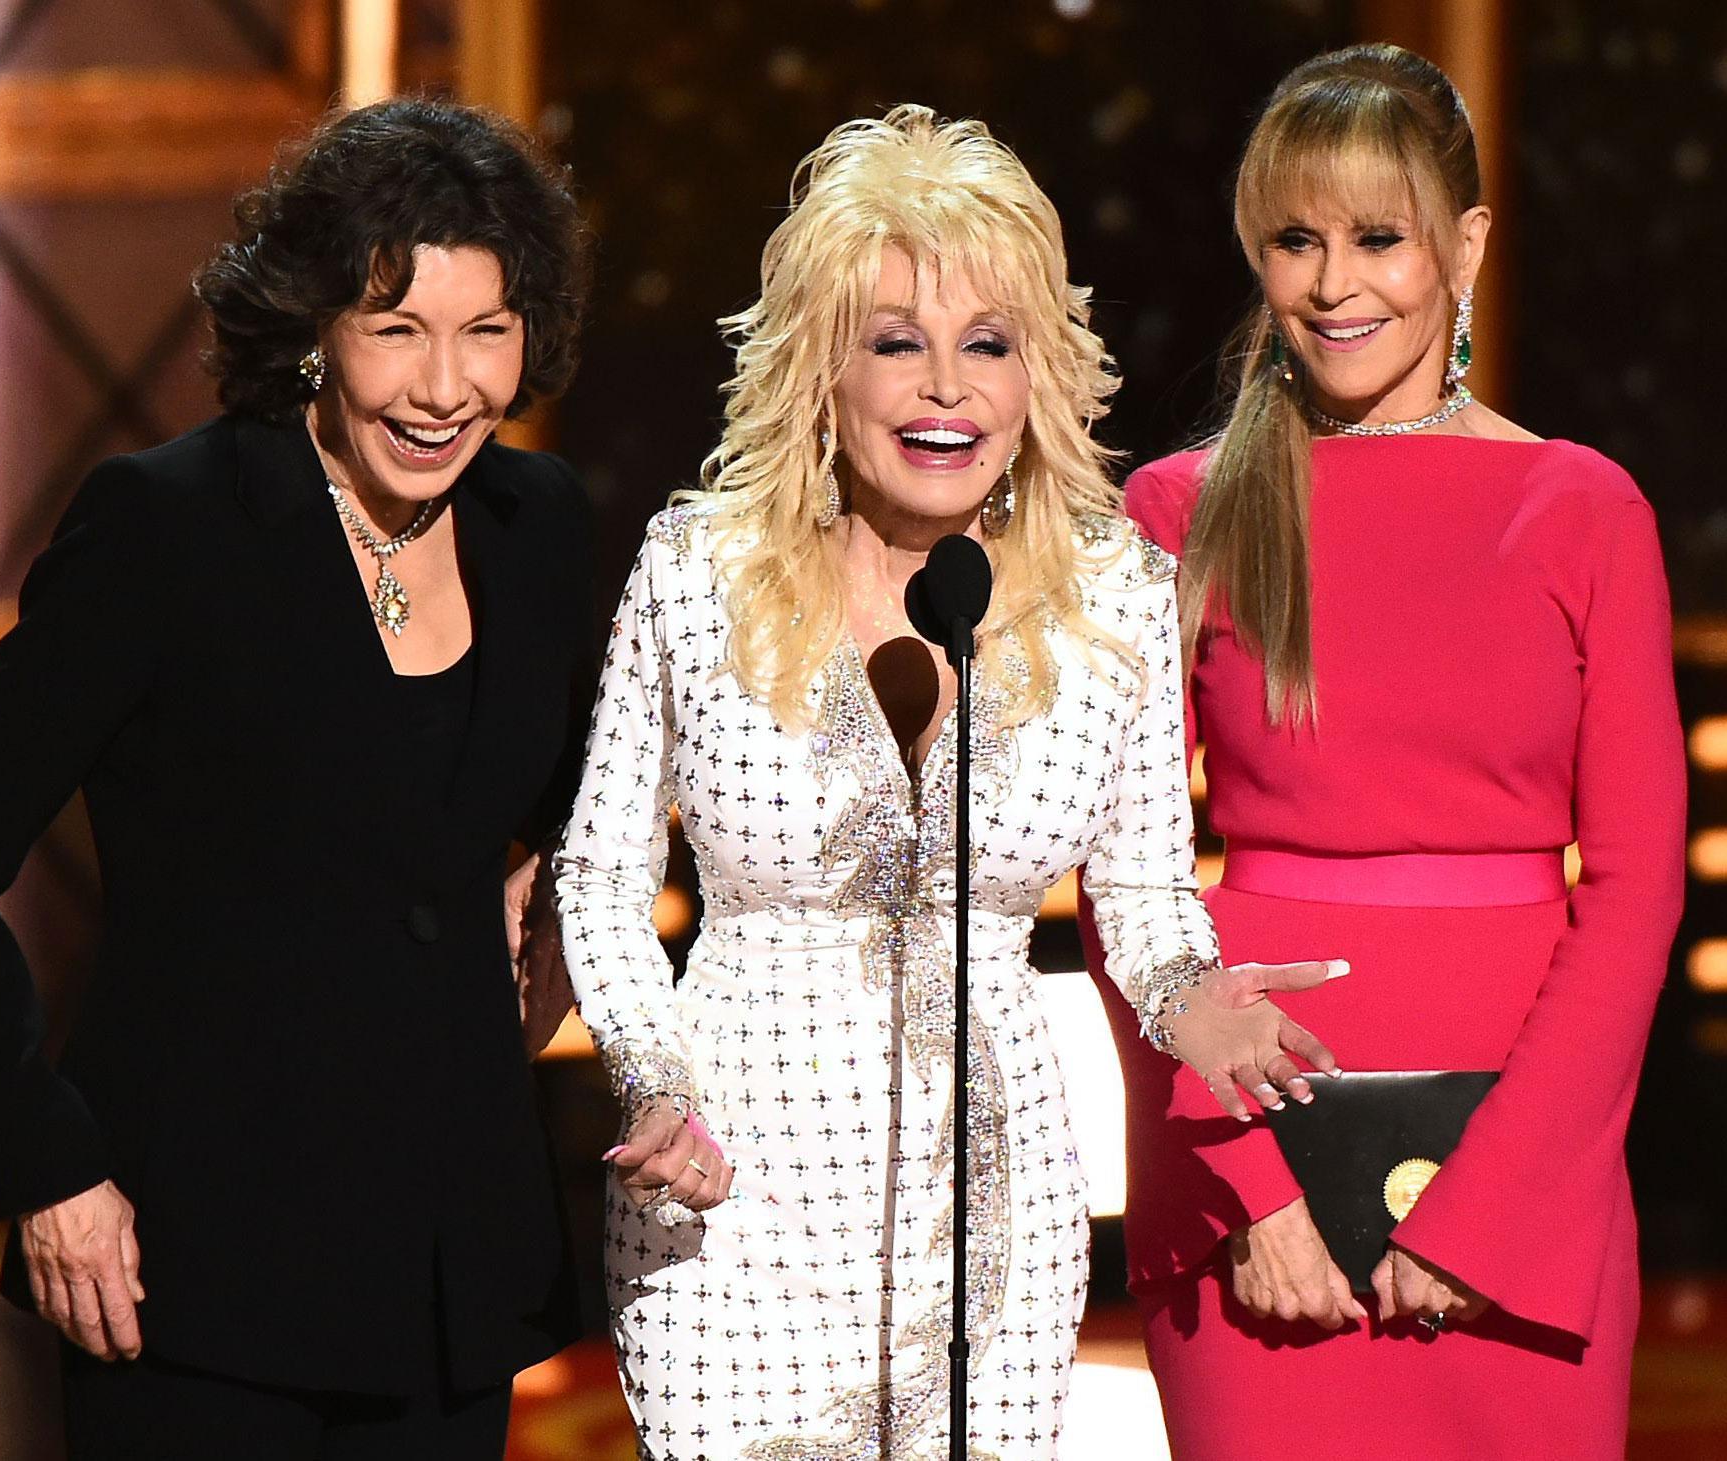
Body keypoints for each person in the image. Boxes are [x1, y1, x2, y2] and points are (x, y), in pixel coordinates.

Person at [553, 105, 1340, 1461]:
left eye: (988, 345)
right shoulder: (698, 573)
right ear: (820, 367)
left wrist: (1184, 993)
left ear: (1039, 368)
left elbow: (1144, 886)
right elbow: (605, 871)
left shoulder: (1116, 597)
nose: (946, 390)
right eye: (896, 344)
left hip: (995, 1202)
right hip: (730, 1194)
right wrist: (652, 1076)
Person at [0, 97, 594, 1459]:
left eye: (486, 332)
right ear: (315, 327)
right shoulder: (171, 528)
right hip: (193, 1278)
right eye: (398, 329)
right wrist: (49, 1162)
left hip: (450, 1270)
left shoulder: (536, 526)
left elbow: (580, 788)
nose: (446, 388)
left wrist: (554, 898)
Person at [1081, 43, 1686, 1459]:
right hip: (1253, 1177)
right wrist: (1251, 1194)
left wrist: (1492, 1212)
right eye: (1297, 240)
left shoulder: (1584, 508)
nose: (1336, 284)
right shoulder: (1175, 513)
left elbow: (1641, 885)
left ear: (1465, 245)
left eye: (1379, 238)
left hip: (1530, 1181)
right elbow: (1125, 882)